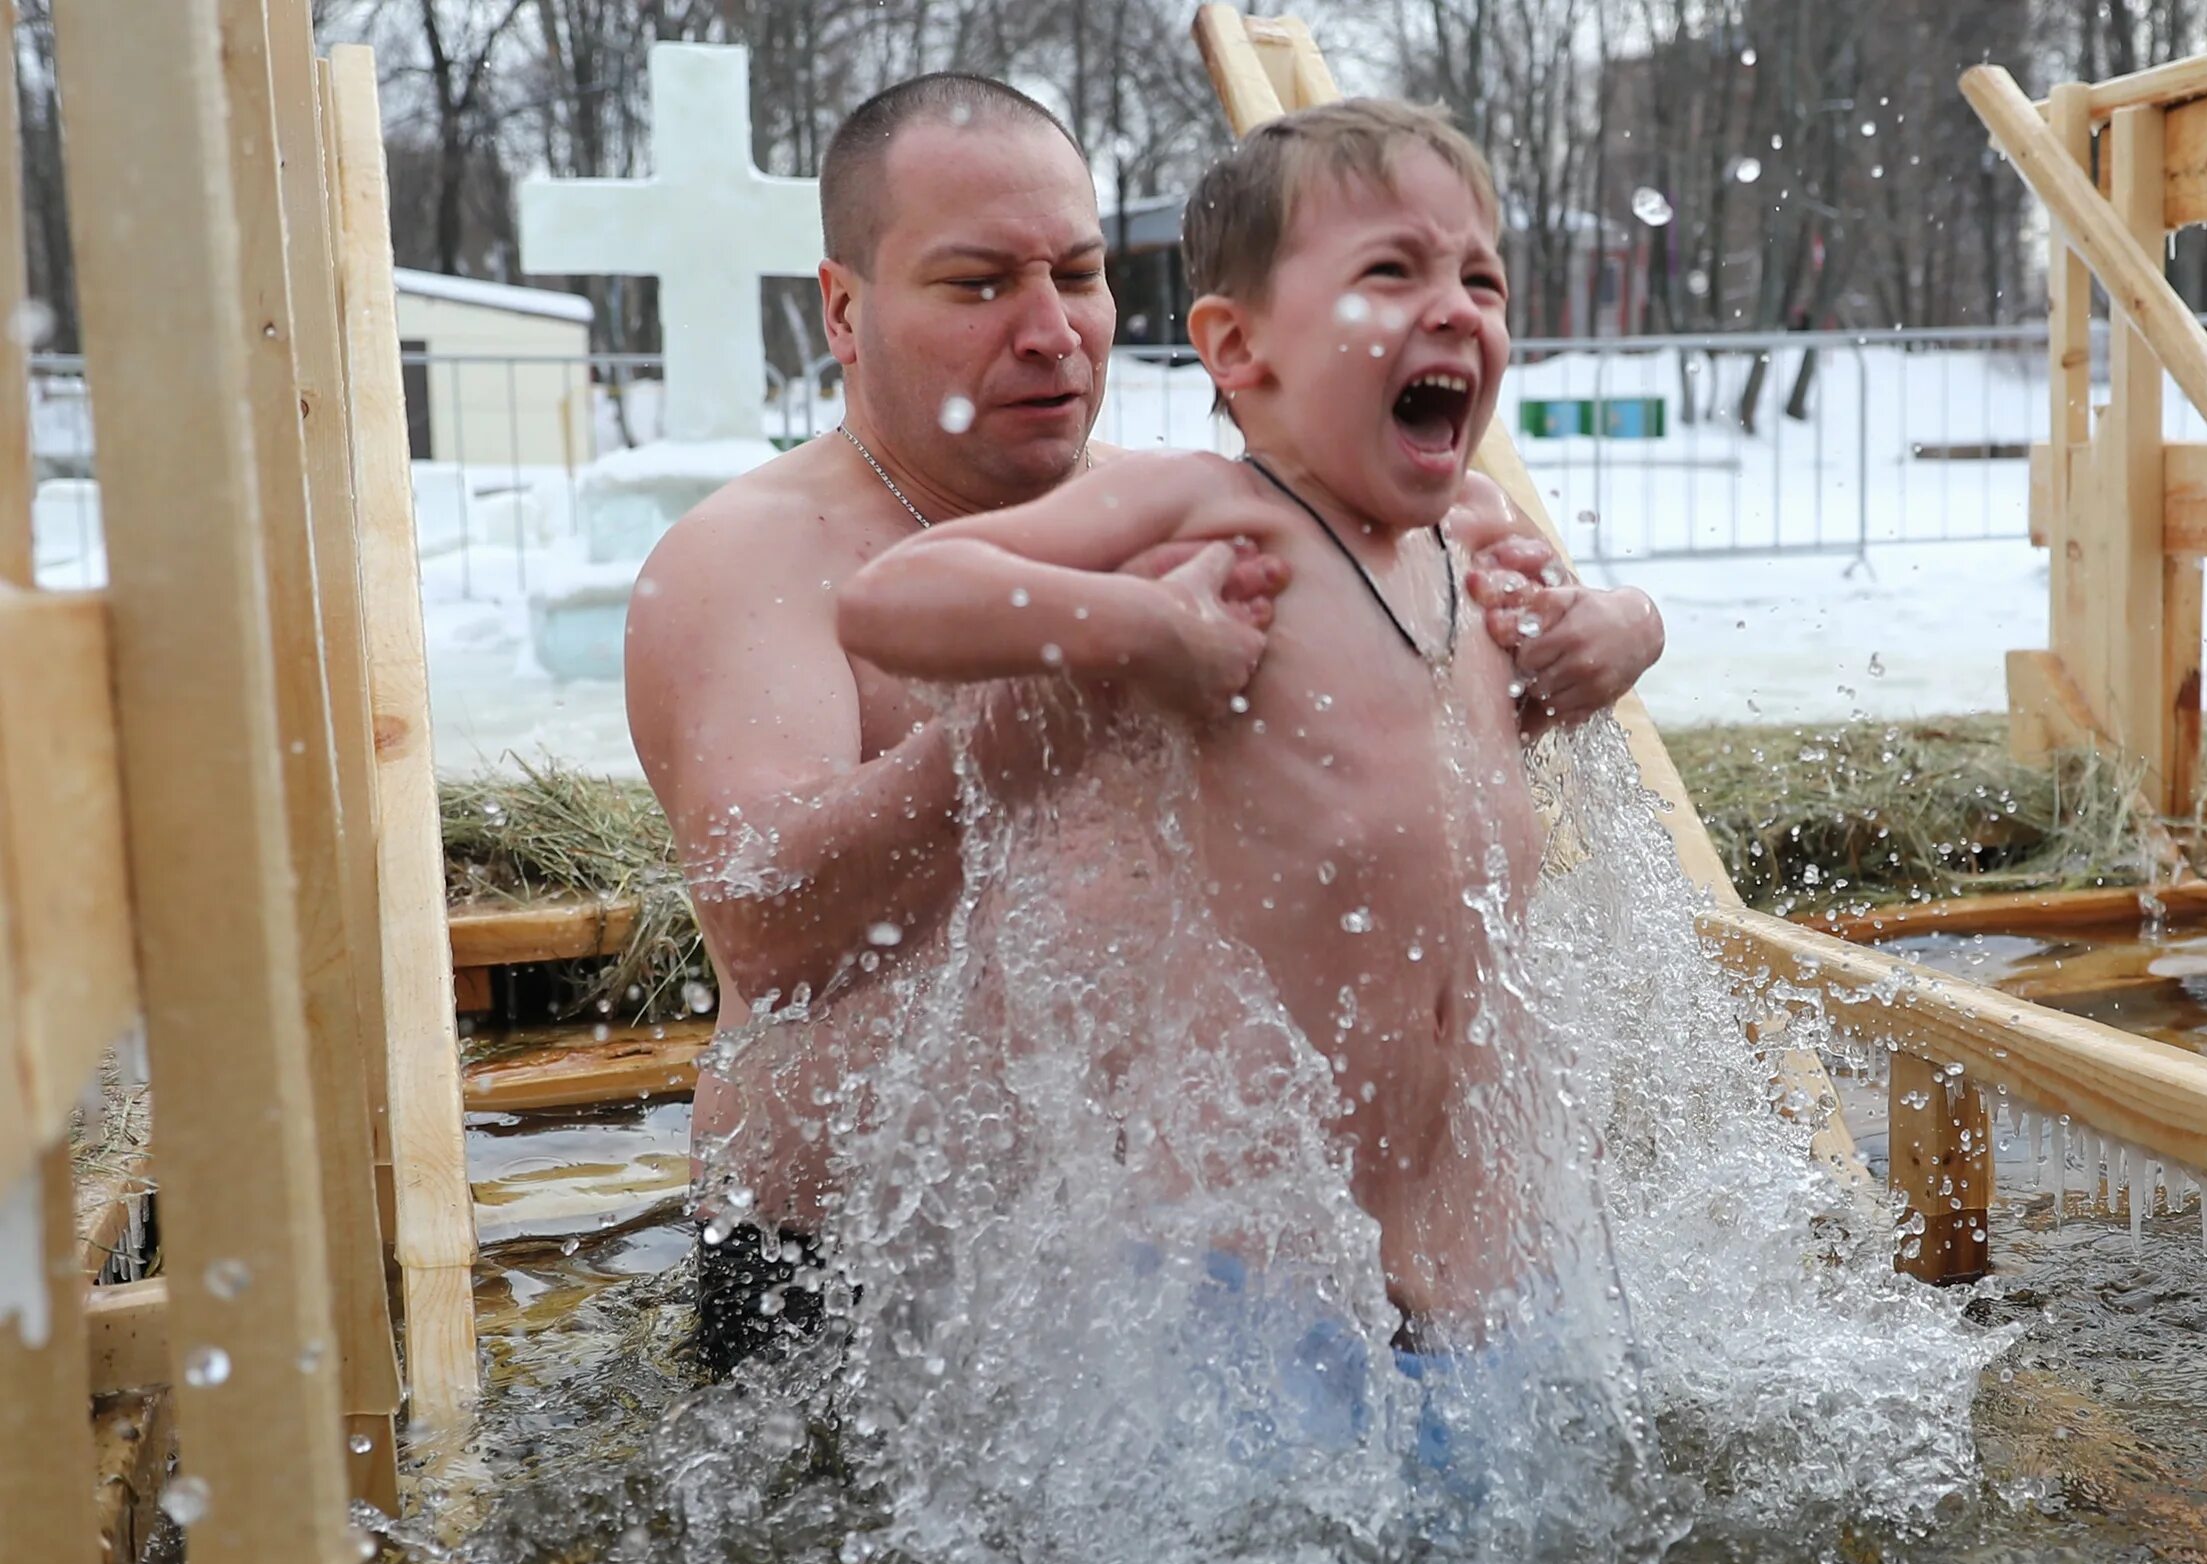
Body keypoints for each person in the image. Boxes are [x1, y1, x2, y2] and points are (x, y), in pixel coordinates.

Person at [621, 75, 1665, 1374]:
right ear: (845, 307)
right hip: (847, 1287)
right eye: (979, 283)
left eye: (1077, 272)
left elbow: (1418, 741)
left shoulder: (1204, 514)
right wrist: (1071, 689)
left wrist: (1600, 637)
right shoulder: (754, 559)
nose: (1052, 330)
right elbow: (771, 927)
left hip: (1159, 1273)